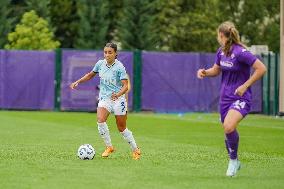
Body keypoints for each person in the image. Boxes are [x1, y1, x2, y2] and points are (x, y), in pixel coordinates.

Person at [197, 21, 266, 176]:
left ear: (223, 36)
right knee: (228, 129)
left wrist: (245, 85)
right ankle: (235, 161)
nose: (218, 38)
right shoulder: (221, 52)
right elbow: (216, 70)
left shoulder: (241, 52)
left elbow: (261, 68)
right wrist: (205, 72)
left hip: (241, 98)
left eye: (218, 36)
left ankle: (233, 161)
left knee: (228, 126)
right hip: (225, 98)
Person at [70, 42, 141, 160]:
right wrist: (78, 81)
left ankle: (135, 150)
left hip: (118, 100)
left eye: (110, 52)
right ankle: (109, 147)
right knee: (100, 120)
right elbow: (90, 75)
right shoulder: (100, 64)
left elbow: (125, 86)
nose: (107, 55)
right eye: (105, 52)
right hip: (104, 98)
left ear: (115, 54)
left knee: (121, 128)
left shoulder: (120, 67)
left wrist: (118, 94)